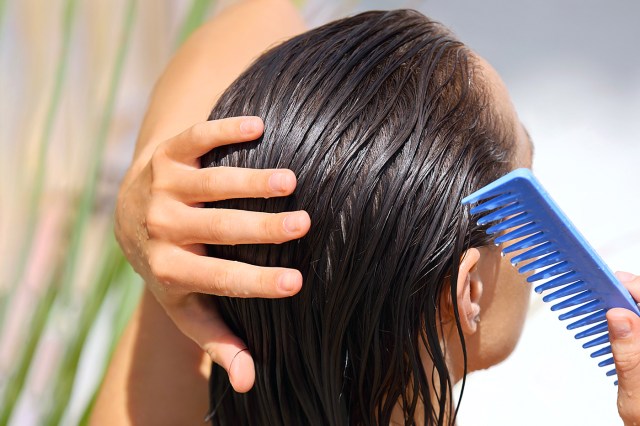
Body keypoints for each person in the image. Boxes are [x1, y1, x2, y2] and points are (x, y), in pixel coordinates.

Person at [92, 1, 640, 425]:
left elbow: (259, 14)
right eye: (528, 164)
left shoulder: (163, 382)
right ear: (465, 291)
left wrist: (161, 183)